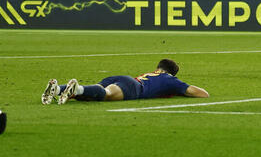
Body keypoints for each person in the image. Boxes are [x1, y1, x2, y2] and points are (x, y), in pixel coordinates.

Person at [41, 58, 209, 104]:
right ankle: (76, 89)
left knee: (93, 93)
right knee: (106, 94)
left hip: (122, 78)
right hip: (134, 87)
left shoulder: (152, 73)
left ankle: (57, 89)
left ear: (158, 68)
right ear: (171, 73)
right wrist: (180, 90)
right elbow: (202, 94)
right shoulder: (170, 80)